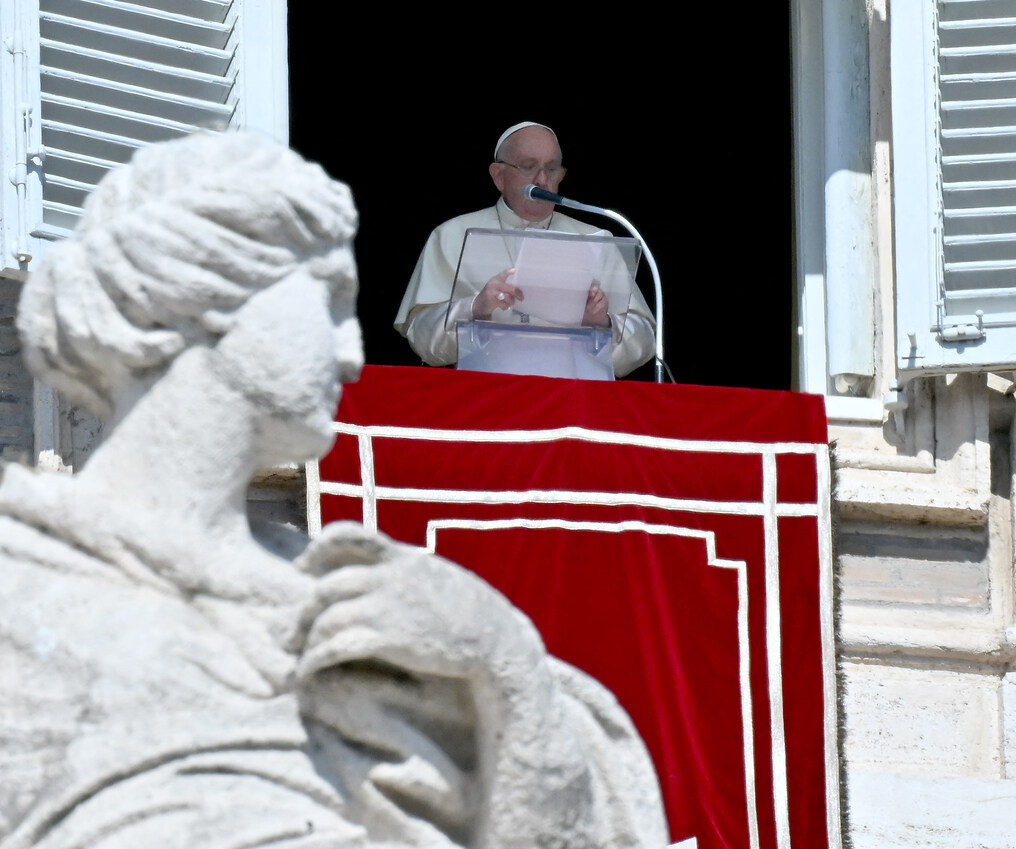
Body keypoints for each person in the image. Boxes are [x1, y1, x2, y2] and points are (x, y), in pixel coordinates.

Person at [0, 133, 667, 848]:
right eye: (325, 303)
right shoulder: (24, 595)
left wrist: (504, 665)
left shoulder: (369, 596)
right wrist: (479, 303)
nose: (351, 353)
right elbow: (429, 334)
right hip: (491, 396)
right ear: (197, 297)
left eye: (551, 167)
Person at [394, 122, 656, 377]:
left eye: (551, 169)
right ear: (498, 176)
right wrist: (476, 307)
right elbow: (422, 338)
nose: (542, 180)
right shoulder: (451, 235)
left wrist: (601, 322)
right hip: (484, 403)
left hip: (575, 405)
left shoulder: (596, 239)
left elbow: (643, 340)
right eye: (529, 167)